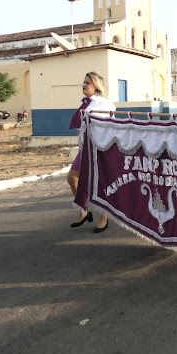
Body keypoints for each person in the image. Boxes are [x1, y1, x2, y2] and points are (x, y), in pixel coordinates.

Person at [67, 71, 116, 233]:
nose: (84, 85)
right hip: (84, 147)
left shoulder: (104, 103)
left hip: (98, 148)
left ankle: (104, 217)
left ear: (96, 86)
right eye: (84, 82)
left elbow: (108, 123)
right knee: (72, 177)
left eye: (87, 82)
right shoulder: (84, 103)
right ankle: (84, 210)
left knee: (101, 183)